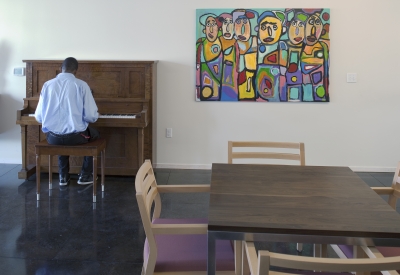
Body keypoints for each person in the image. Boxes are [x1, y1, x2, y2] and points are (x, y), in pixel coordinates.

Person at [34, 57, 100, 187]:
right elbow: (91, 117)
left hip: (52, 138)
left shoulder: (47, 85)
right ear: (75, 71)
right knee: (95, 134)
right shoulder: (81, 85)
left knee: (60, 133)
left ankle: (63, 176)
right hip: (75, 137)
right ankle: (85, 175)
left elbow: (39, 117)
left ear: (61, 68)